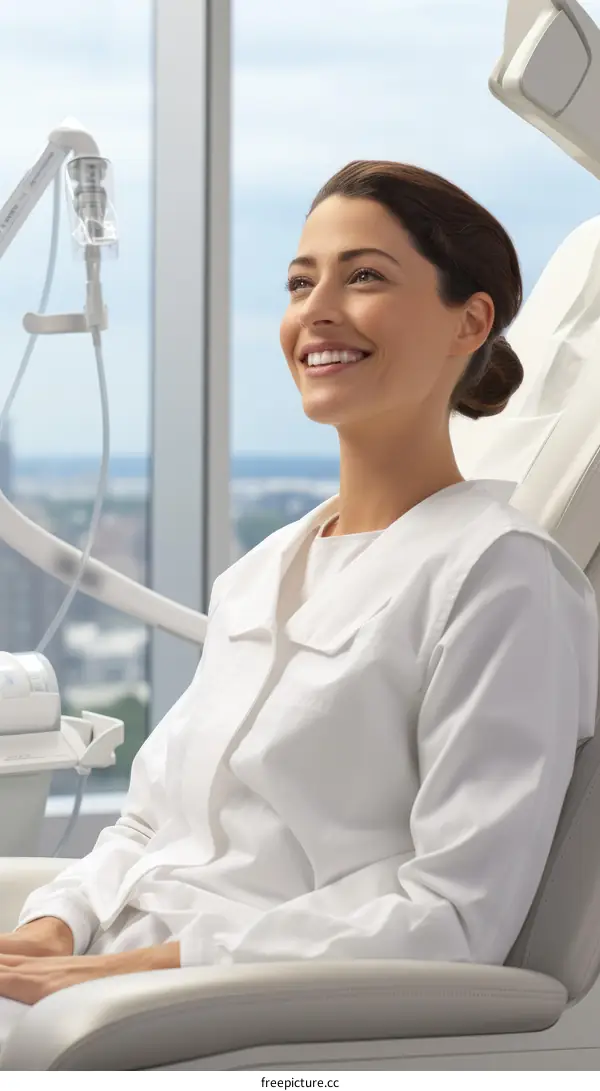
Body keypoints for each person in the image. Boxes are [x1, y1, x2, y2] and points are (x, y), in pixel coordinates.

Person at [0, 160, 597, 1054]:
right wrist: (53, 929)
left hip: (225, 1011)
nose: (315, 310)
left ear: (469, 322)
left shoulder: (502, 578)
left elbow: (453, 912)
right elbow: (148, 823)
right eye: (298, 282)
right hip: (103, 981)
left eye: (365, 276)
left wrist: (139, 970)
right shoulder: (261, 572)